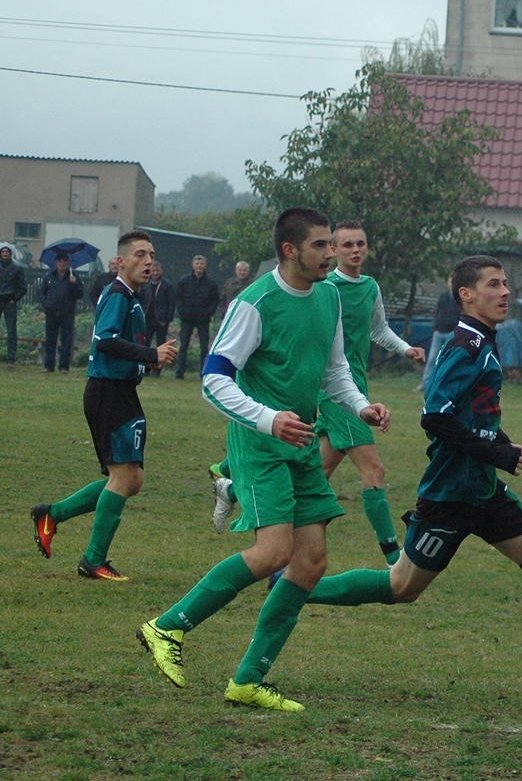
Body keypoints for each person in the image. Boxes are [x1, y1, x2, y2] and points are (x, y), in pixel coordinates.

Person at [138, 207, 390, 712]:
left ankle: (249, 679)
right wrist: (265, 419)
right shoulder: (256, 302)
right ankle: (166, 627)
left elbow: (334, 368)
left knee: (312, 561)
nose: (330, 254)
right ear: (290, 250)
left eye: (331, 244)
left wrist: (360, 405)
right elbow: (214, 378)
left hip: (300, 441)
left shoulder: (329, 299)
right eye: (320, 245)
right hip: (260, 446)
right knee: (274, 552)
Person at [295, 254, 522, 696]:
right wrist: (499, 454)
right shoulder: (464, 346)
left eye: (505, 284)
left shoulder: (484, 341)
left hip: (483, 488)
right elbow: (436, 418)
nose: (505, 292)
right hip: (450, 493)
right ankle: (295, 588)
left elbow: (474, 416)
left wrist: (511, 450)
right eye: (494, 285)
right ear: (467, 295)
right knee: (402, 586)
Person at [211, 222, 426, 556]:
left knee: (314, 495)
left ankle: (233, 489)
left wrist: (404, 350)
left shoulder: (361, 289)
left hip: (348, 390)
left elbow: (376, 332)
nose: (353, 250)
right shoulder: (300, 290)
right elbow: (215, 377)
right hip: (319, 401)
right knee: (374, 471)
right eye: (341, 245)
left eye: (361, 244)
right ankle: (393, 557)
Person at [29, 231, 178, 580]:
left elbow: (121, 345)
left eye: (151, 255)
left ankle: (51, 514)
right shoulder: (118, 294)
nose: (147, 261)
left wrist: (147, 362)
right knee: (124, 477)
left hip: (119, 390)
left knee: (130, 479)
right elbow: (105, 340)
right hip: (108, 392)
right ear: (120, 261)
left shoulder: (131, 296)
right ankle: (93, 560)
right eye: (139, 255)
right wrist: (150, 354)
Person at [174, 254, 220, 379]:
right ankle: (179, 372)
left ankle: (203, 373)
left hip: (203, 320)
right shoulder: (184, 281)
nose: (199, 266)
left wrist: (208, 313)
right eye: (197, 264)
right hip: (186, 319)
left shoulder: (211, 283)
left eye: (201, 264)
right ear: (193, 265)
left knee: (204, 347)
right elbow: (178, 298)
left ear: (205, 266)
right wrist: (182, 312)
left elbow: (215, 300)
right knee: (183, 346)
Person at [37, 254, 84, 373]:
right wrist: (46, 304)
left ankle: (64, 367)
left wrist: (74, 284)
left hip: (67, 314)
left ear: (68, 263)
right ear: (56, 262)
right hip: (52, 313)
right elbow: (41, 292)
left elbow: (80, 294)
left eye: (64, 261)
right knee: (50, 340)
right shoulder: (49, 277)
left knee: (66, 341)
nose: (62, 263)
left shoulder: (73, 277)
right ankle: (49, 366)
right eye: (59, 261)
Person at [418, 275, 457, 392]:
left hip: (452, 333)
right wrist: (435, 327)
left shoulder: (460, 299)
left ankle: (448, 386)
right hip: (439, 332)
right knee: (432, 359)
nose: (452, 283)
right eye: (450, 281)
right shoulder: (443, 297)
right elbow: (437, 312)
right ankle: (425, 384)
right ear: (447, 283)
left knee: (451, 360)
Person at [137, 261, 176, 377]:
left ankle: (157, 369)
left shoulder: (167, 285)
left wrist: (168, 318)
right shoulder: (144, 284)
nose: (155, 273)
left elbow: (172, 302)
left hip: (161, 319)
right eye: (153, 271)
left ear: (161, 271)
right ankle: (145, 368)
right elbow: (140, 299)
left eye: (157, 271)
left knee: (161, 343)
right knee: (145, 343)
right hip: (147, 318)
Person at [0, 245, 26, 367]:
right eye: (3, 252)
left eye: (7, 252)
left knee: (11, 331)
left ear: (10, 254)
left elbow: (23, 288)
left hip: (9, 301)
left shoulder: (17, 269)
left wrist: (14, 299)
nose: (5, 254)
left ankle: (11, 359)